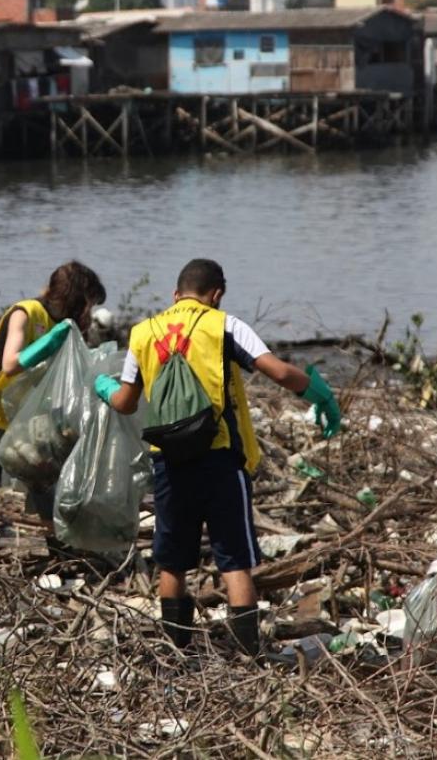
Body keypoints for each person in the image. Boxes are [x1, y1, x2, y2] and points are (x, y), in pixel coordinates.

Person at [94, 258, 342, 657]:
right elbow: (277, 372)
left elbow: (125, 402)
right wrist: (319, 394)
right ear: (217, 294)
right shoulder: (222, 324)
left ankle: (177, 653)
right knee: (234, 562)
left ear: (175, 296)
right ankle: (248, 655)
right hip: (220, 458)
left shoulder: (144, 332)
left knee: (172, 562)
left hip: (168, 461)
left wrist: (103, 387)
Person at [0, 261, 105, 543]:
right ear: (76, 298)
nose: (91, 312)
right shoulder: (26, 312)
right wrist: (48, 342)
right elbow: (10, 364)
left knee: (46, 487)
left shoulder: (66, 327)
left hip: (27, 421)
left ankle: (61, 551)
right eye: (90, 304)